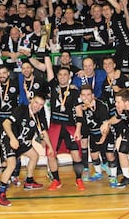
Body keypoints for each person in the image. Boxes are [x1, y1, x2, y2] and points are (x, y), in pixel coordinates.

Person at [0, 94, 54, 206]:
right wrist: (12, 138)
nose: (38, 106)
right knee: (11, 165)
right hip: (9, 139)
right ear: (31, 101)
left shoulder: (39, 115)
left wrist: (50, 147)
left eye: (41, 105)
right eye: (36, 103)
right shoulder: (21, 109)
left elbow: (43, 132)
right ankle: (0, 194)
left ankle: (29, 181)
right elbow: (5, 123)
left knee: (34, 156)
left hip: (22, 142)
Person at [44, 56, 85, 191]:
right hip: (55, 127)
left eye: (65, 75)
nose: (62, 77)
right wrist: (45, 51)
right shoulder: (53, 87)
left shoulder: (74, 91)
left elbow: (79, 112)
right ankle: (56, 180)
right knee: (50, 154)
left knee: (76, 154)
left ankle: (78, 179)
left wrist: (78, 130)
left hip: (69, 127)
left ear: (69, 77)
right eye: (60, 75)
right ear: (57, 76)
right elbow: (48, 67)